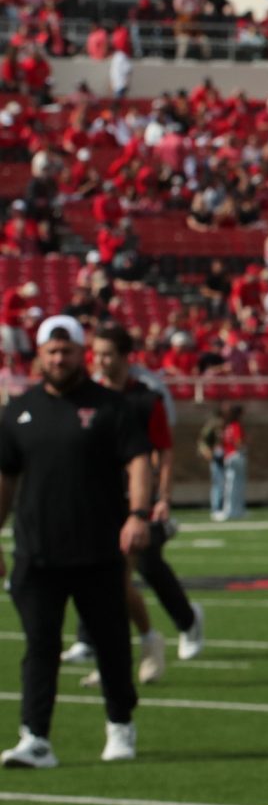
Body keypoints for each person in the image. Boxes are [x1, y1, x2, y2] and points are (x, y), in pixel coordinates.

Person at [0, 316, 153, 769]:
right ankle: (36, 737)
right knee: (40, 646)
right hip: (36, 551)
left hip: (97, 549)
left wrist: (139, 514)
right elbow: (5, 479)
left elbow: (139, 461)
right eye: (51, 351)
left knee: (110, 643)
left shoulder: (111, 407)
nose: (59, 358)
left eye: (67, 351)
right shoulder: (18, 411)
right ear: (40, 356)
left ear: (81, 353)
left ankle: (120, 722)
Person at [67, 324, 204, 687]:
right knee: (104, 581)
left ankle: (159, 635)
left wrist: (162, 498)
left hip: (134, 504)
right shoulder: (85, 396)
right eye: (96, 353)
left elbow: (164, 450)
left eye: (108, 354)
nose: (101, 361)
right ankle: (122, 647)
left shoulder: (146, 398)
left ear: (127, 356)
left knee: (125, 576)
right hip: (96, 499)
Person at [212, 404, 247, 521]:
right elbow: (238, 442)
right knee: (234, 486)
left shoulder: (229, 426)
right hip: (235, 455)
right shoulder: (235, 426)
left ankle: (233, 510)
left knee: (232, 486)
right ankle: (233, 510)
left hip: (230, 456)